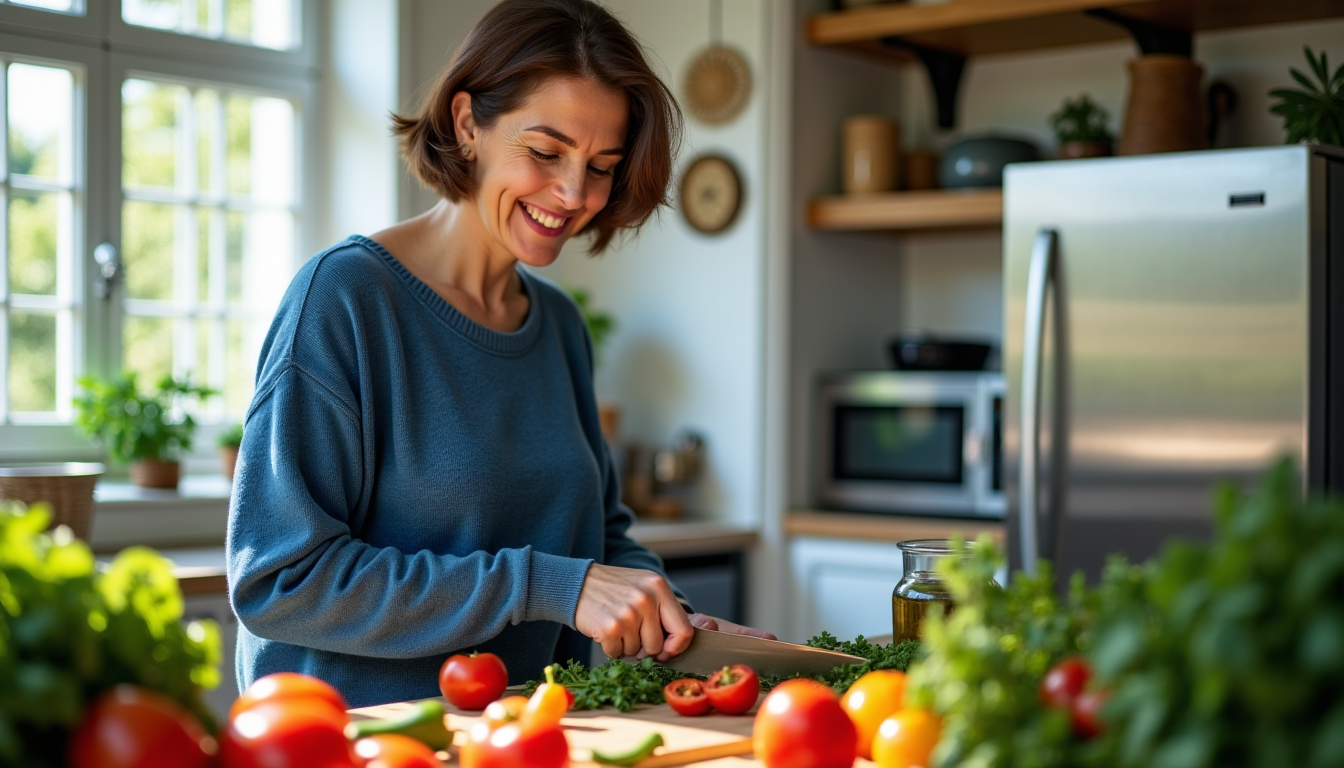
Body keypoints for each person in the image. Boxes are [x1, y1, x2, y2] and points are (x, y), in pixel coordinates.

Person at [226, 0, 774, 709]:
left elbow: (599, 541)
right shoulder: (346, 299)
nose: (574, 194)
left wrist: (667, 614)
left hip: (526, 734)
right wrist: (545, 585)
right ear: (467, 125)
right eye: (545, 153)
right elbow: (277, 581)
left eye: (601, 167)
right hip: (368, 741)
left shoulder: (559, 326)